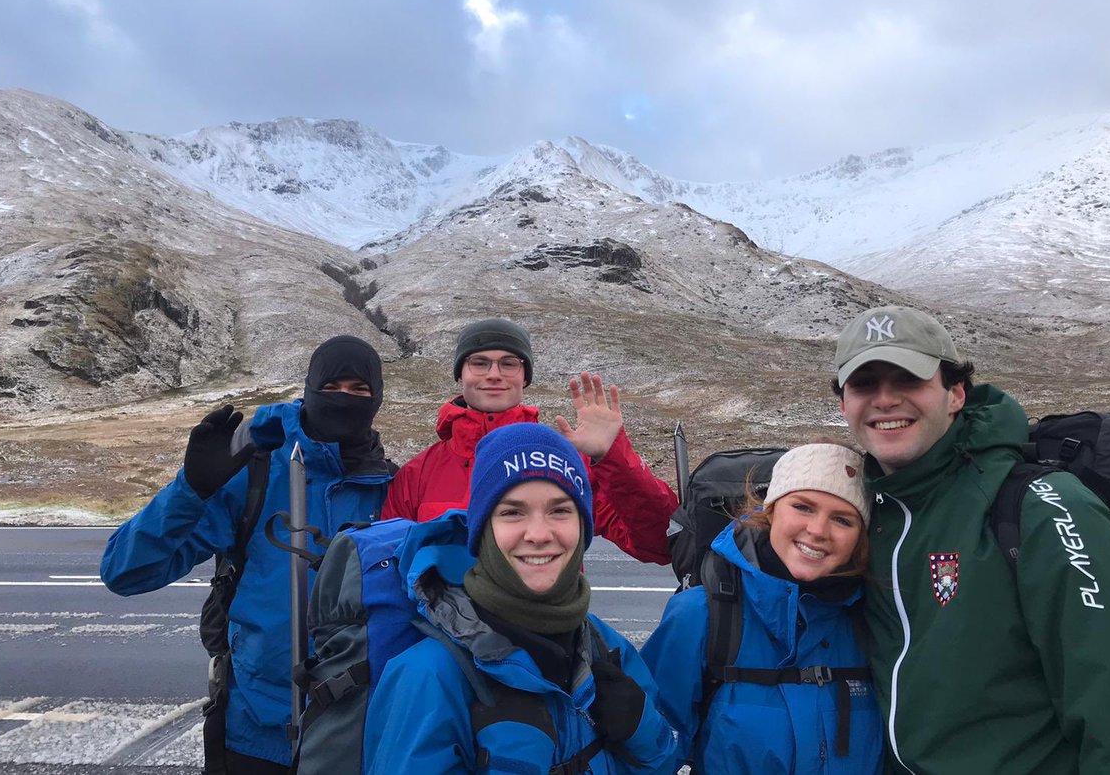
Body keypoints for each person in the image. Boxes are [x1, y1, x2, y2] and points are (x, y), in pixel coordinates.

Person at [832, 304, 1110, 774]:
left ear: (955, 394)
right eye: (865, 385)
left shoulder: (1040, 506)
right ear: (844, 403)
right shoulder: (866, 514)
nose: (885, 400)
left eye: (908, 380)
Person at [101, 335, 396, 774]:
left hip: (356, 732)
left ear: (376, 400)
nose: (344, 400)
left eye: (359, 390)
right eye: (332, 387)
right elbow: (124, 571)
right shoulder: (255, 474)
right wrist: (191, 489)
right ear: (310, 388)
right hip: (256, 730)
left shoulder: (391, 488)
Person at [364, 422, 676, 774]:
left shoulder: (608, 647)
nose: (539, 534)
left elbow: (664, 761)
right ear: (483, 530)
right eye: (512, 512)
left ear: (584, 527)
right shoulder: (429, 675)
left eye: (560, 510)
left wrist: (643, 732)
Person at [642, 442, 883, 774]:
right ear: (769, 510)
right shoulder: (701, 615)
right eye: (803, 507)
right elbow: (650, 752)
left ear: (861, 537)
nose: (817, 531)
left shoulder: (876, 619)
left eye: (842, 520)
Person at [382, 317, 678, 563]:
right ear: (461, 375)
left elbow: (660, 544)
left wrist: (611, 456)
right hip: (442, 630)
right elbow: (389, 564)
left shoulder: (563, 461)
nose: (494, 375)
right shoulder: (417, 474)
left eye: (509, 363)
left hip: (547, 631)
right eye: (480, 363)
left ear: (525, 376)